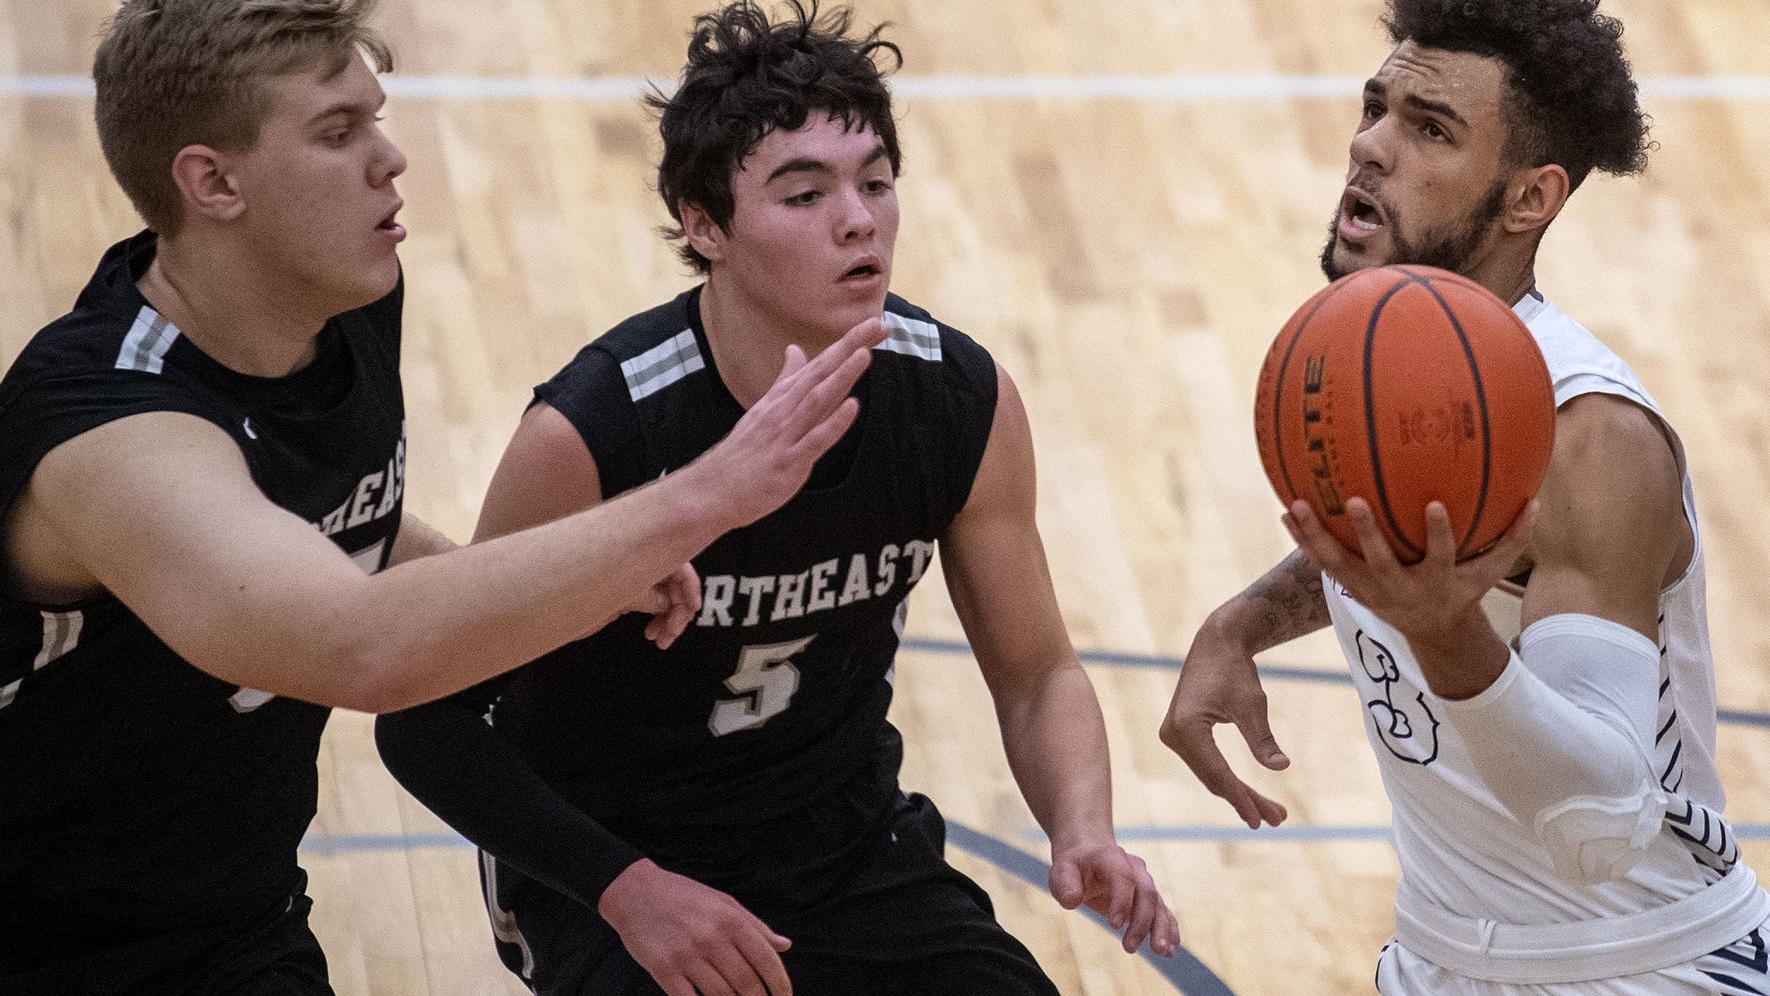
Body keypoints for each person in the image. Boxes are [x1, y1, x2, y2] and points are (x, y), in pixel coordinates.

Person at [0, 0, 882, 992]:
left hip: (226, 922)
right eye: (339, 133)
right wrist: (703, 496)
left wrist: (572, 574)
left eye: (376, 117)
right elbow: (360, 647)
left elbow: (337, 532)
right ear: (211, 181)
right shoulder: (114, 436)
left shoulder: (343, 305)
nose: (392, 159)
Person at [374, 2, 1178, 994]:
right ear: (703, 226)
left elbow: (1037, 670)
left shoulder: (956, 398)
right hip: (618, 865)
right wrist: (626, 889)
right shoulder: (594, 433)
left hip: (845, 843)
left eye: (877, 183)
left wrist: (1082, 827)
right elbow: (425, 721)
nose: (858, 218)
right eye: (804, 194)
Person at [1159, 1, 1770, 992]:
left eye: (1429, 129)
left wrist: (1451, 641)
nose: (1369, 147)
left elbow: (1599, 831)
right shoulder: (1404, 374)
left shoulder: (1593, 438)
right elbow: (1412, 535)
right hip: (1440, 956)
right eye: (1377, 107)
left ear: (1530, 198)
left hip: (1644, 965)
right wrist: (1244, 621)